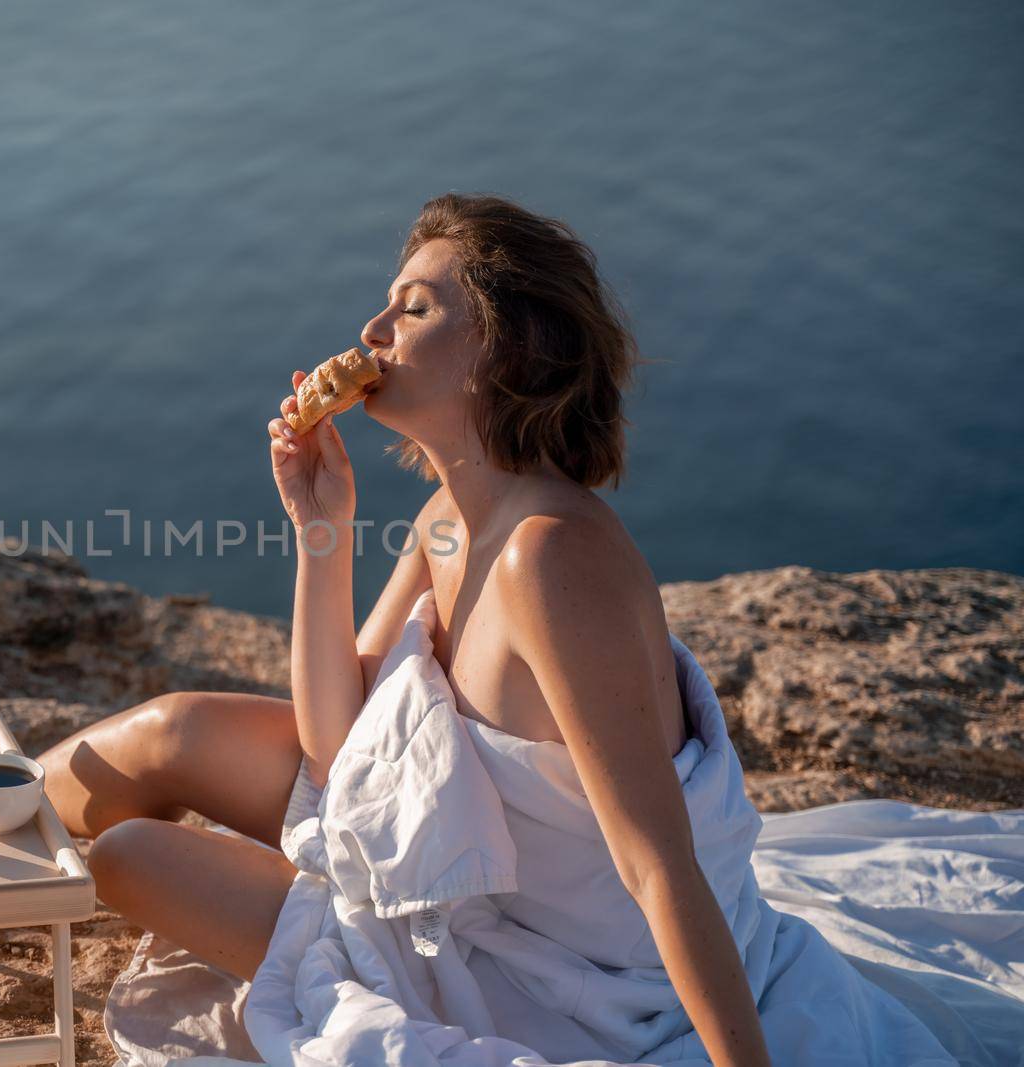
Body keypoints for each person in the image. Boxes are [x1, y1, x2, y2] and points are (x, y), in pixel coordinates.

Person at [39, 193, 774, 1063]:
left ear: (508, 350)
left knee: (129, 857)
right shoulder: (450, 520)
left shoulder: (552, 559)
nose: (373, 327)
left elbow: (660, 863)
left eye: (416, 308)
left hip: (548, 961)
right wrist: (323, 529)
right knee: (172, 730)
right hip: (460, 855)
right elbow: (338, 745)